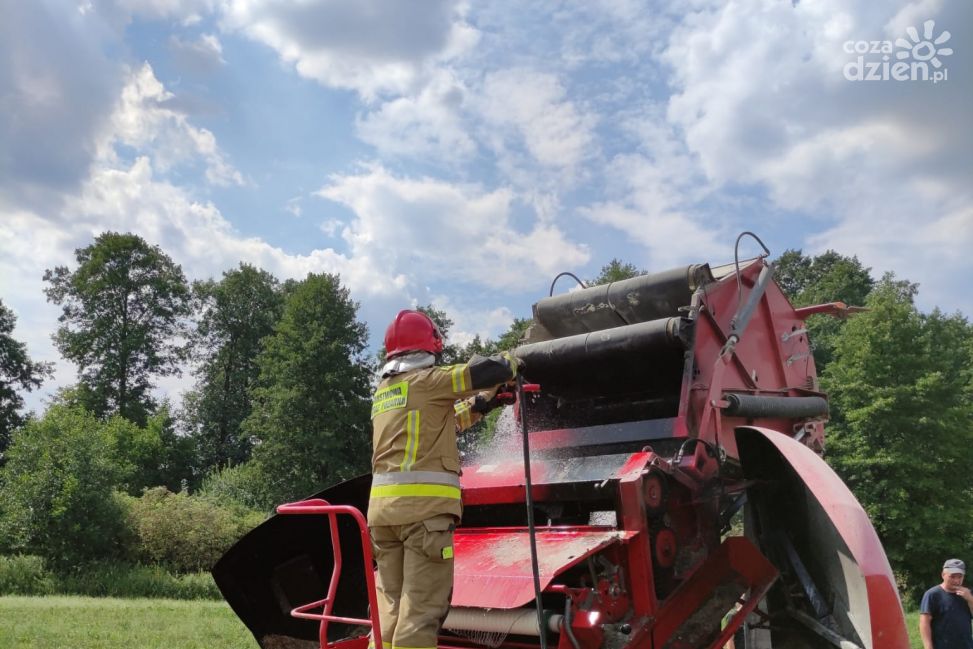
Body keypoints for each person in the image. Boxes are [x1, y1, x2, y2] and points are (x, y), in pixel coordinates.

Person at [368, 309, 521, 649]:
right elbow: (486, 371)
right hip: (423, 518)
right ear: (431, 346)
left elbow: (442, 425)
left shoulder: (386, 392)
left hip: (382, 519)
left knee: (389, 612)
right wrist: (515, 359)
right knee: (419, 615)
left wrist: (484, 405)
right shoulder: (430, 381)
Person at [920, 558, 973, 649]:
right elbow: (924, 623)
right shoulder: (932, 595)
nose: (957, 580)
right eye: (952, 576)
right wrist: (928, 647)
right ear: (943, 575)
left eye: (960, 577)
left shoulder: (968, 593)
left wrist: (970, 599)